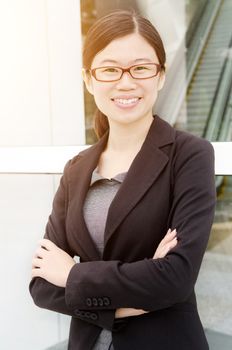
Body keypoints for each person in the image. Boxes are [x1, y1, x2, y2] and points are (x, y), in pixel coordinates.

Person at [29, 9, 216, 350]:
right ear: (89, 79)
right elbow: (42, 286)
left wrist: (72, 276)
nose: (126, 82)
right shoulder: (77, 169)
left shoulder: (190, 155)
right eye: (109, 69)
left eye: (141, 68)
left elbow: (176, 278)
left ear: (160, 75)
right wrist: (138, 292)